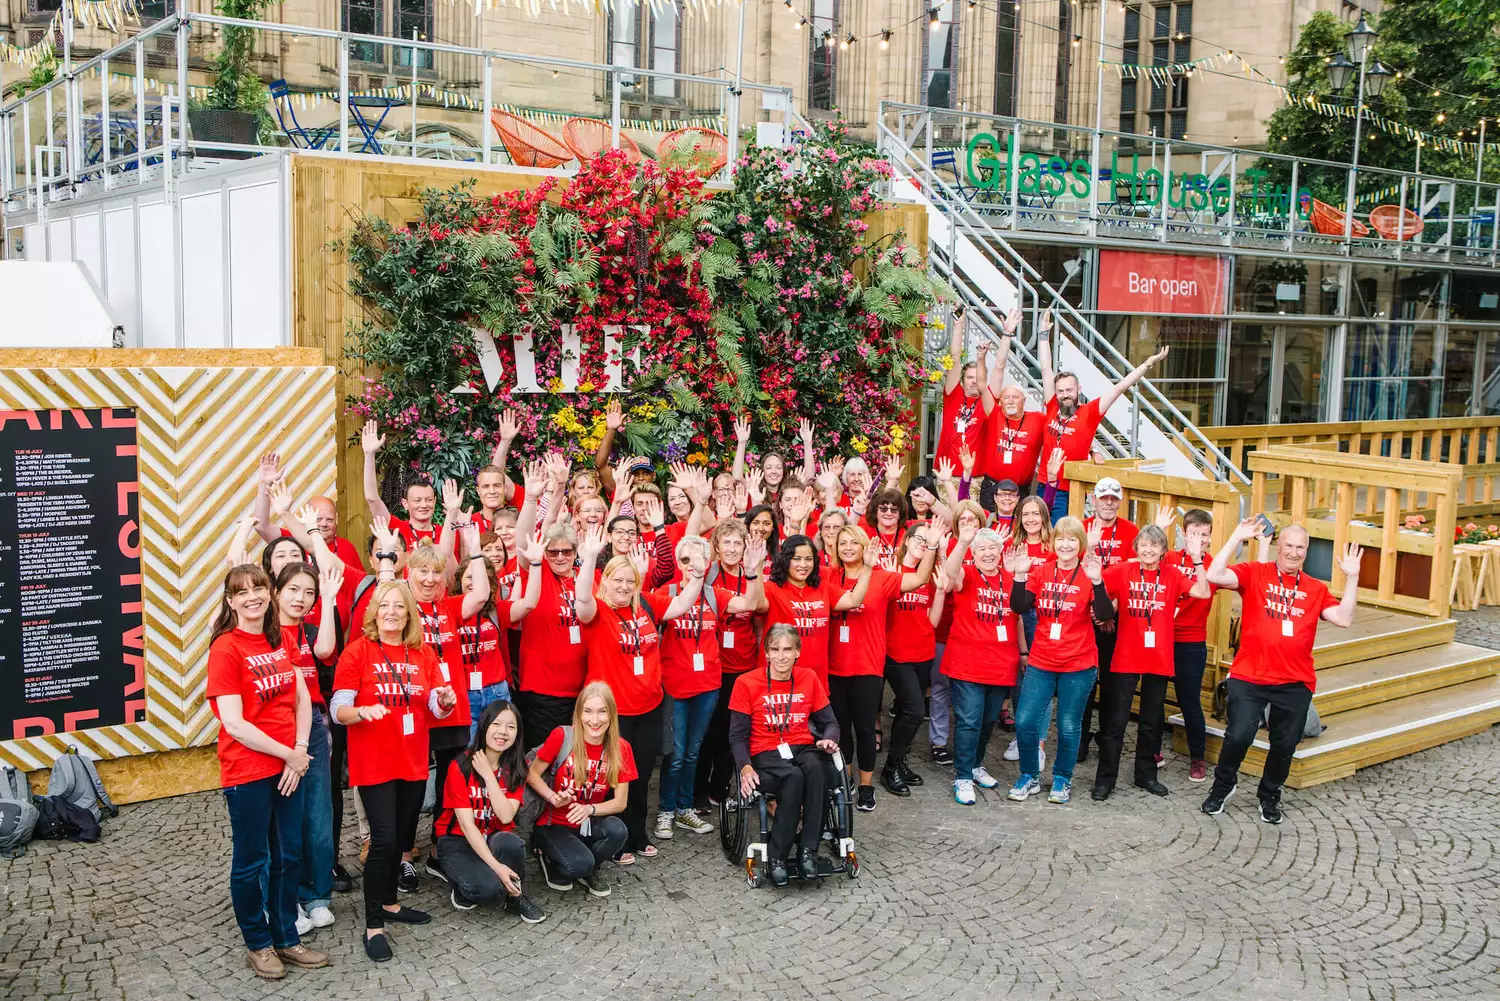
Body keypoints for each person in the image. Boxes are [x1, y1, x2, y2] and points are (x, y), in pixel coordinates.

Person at [206, 564, 328, 980]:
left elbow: (302, 700)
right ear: (230, 602)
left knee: (289, 855)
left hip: (287, 766)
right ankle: (258, 943)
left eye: (258, 588)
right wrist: (289, 755)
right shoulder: (226, 648)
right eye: (242, 592)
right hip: (248, 771)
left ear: (268, 592)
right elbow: (234, 723)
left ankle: (286, 937)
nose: (252, 597)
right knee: (252, 860)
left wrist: (299, 750)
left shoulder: (280, 638)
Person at [1200, 520, 1361, 824]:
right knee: (1238, 735)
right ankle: (1223, 786)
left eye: (1300, 547)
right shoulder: (1256, 573)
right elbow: (1213, 575)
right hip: (1250, 675)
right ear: (1278, 546)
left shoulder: (1315, 588)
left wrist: (1352, 578)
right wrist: (1236, 537)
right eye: (1289, 545)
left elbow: (1344, 618)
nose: (1294, 552)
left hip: (1294, 681)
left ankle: (1269, 794)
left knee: (1285, 745)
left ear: (1306, 551)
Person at [331, 580, 458, 962]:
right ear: (374, 612)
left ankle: (389, 902)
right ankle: (373, 925)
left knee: (402, 837)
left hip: (413, 761)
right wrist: (361, 711)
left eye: (399, 606)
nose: (391, 612)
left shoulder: (422, 654)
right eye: (384, 605)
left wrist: (446, 701)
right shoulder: (358, 652)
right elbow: (338, 708)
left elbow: (436, 708)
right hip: (374, 763)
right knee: (384, 840)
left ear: (408, 615)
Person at [575, 525, 710, 862]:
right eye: (617, 580)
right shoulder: (598, 611)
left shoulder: (645, 604)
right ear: (605, 581)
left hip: (649, 707)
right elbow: (582, 600)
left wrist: (696, 577)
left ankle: (637, 833)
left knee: (640, 774)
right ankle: (614, 837)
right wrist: (589, 558)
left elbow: (680, 604)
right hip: (613, 713)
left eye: (629, 580)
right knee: (612, 777)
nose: (623, 586)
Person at [652, 535, 765, 841]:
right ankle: (665, 810)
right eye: (686, 560)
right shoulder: (667, 593)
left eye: (699, 559)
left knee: (693, 752)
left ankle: (685, 807)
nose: (693, 565)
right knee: (675, 754)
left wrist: (751, 573)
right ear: (678, 564)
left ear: (708, 561)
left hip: (708, 685)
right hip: (675, 687)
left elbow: (750, 604)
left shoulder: (716, 595)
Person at [827, 523, 936, 811]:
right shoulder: (828, 575)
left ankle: (866, 786)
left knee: (865, 729)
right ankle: (846, 779)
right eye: (842, 543)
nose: (848, 548)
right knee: (841, 728)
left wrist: (932, 547)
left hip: (868, 666)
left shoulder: (881, 577)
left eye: (854, 542)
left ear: (865, 546)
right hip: (834, 666)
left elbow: (921, 578)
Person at [1092, 525, 1206, 801]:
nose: (1148, 550)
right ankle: (1105, 779)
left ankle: (1146, 775)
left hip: (1159, 656)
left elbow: (1203, 592)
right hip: (1127, 655)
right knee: (1116, 721)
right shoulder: (1123, 570)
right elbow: (1093, 579)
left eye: (1154, 545)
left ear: (1163, 550)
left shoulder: (1173, 574)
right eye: (1143, 544)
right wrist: (1092, 549)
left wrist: (1197, 559)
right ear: (1136, 548)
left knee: (1151, 722)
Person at [1007, 517, 1113, 805]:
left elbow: (1105, 614)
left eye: (1072, 539)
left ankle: (1062, 778)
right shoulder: (1042, 571)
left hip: (1078, 664)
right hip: (1042, 660)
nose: (1066, 545)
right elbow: (1020, 606)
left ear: (1081, 544)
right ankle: (1030, 775)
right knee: (1025, 721)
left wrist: (1098, 581)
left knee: (1068, 725)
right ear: (1053, 543)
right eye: (1061, 539)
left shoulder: (1089, 572)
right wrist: (1019, 575)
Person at [730, 624, 842, 888]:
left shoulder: (809, 677)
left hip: (801, 746)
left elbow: (831, 723)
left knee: (817, 768)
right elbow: (737, 736)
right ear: (766, 653)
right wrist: (745, 767)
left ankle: (808, 849)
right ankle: (777, 856)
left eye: (787, 650)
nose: (781, 656)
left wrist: (829, 739)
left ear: (797, 652)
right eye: (775, 650)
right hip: (765, 752)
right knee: (793, 777)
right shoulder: (746, 683)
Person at [1037, 310, 1169, 521]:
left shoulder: (1089, 413)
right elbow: (1045, 368)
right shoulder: (1052, 405)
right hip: (1044, 484)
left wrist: (1148, 364)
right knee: (1039, 529)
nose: (1064, 395)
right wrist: (1043, 334)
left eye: (1069, 390)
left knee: (1061, 533)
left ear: (1078, 389)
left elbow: (1120, 387)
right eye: (1060, 391)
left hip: (1069, 490)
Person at [271, 560, 341, 936]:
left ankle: (316, 894)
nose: (301, 598)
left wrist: (328, 599)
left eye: (308, 592)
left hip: (313, 724)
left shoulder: (309, 630)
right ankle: (286, 897)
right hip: (278, 725)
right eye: (293, 590)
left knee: (318, 814)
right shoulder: (264, 631)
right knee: (285, 818)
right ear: (276, 592)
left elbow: (326, 650)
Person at [435, 700, 546, 922]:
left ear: (517, 734)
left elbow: (505, 816)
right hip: (458, 839)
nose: (503, 732)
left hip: (494, 835)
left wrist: (488, 775)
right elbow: (467, 826)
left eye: (511, 727)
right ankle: (460, 880)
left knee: (512, 843)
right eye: (496, 724)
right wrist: (497, 867)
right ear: (485, 726)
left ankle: (515, 897)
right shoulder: (461, 766)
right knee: (487, 889)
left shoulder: (516, 768)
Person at [527, 682, 635, 897]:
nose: (594, 720)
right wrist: (553, 797)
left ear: (611, 714)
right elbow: (531, 773)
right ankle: (550, 859)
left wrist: (590, 809)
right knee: (577, 866)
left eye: (602, 711)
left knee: (618, 831)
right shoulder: (563, 736)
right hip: (553, 823)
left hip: (587, 821)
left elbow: (620, 802)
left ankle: (589, 868)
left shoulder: (621, 748)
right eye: (588, 711)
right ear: (579, 713)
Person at [942, 524, 1022, 805]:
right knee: (969, 720)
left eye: (992, 548)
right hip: (967, 663)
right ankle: (963, 776)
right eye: (982, 549)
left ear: (1001, 551)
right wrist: (963, 542)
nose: (988, 553)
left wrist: (1023, 653)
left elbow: (1018, 618)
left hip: (1001, 664)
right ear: (973, 554)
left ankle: (975, 765)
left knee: (988, 720)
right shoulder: (968, 574)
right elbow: (951, 573)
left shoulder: (1011, 578)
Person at [696, 519, 763, 808]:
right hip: (712, 665)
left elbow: (758, 615)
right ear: (717, 547)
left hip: (743, 665)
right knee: (707, 731)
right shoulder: (708, 574)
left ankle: (720, 789)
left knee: (731, 732)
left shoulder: (752, 575)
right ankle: (698, 792)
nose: (733, 549)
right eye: (727, 543)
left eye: (738, 543)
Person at [757, 534, 872, 687]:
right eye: (797, 559)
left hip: (816, 677)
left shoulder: (822, 588)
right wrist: (756, 567)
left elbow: (854, 601)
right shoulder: (771, 589)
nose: (803, 565)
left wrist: (868, 567)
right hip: (780, 677)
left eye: (809, 559)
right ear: (785, 560)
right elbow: (757, 604)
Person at [516, 523, 592, 748]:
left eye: (566, 551)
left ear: (575, 552)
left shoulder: (586, 578)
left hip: (582, 691)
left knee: (575, 756)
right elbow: (523, 537)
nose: (560, 557)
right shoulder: (538, 573)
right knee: (543, 757)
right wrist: (532, 502)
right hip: (543, 692)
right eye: (553, 552)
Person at [1078, 477, 1138, 762]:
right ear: (1094, 499)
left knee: (1112, 684)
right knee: (1084, 684)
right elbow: (1074, 569)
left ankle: (1106, 738)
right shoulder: (1081, 527)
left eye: (1114, 498)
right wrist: (1095, 608)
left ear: (1120, 501)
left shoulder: (1130, 531)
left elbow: (1135, 573)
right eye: (1104, 498)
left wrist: (1110, 609)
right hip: (1084, 615)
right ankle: (1079, 740)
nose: (1109, 503)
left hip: (1117, 617)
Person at [882, 531, 941, 798]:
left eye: (928, 542)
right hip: (895, 654)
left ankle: (899, 762)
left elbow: (933, 622)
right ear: (906, 540)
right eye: (919, 539)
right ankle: (890, 767)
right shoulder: (890, 570)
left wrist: (941, 592)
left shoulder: (929, 576)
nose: (922, 545)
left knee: (908, 712)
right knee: (916, 711)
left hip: (924, 652)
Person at [929, 498, 987, 765]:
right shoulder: (949, 545)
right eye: (962, 520)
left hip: (977, 632)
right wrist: (946, 551)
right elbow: (948, 583)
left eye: (972, 519)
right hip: (946, 625)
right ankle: (938, 741)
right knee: (941, 687)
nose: (967, 524)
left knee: (970, 691)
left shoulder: (989, 546)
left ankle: (967, 744)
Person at [1164, 508, 1217, 782]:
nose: (1199, 539)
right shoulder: (1171, 558)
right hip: (1162, 638)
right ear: (1184, 534)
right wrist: (1160, 529)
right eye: (1194, 534)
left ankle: (1198, 758)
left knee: (1190, 702)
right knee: (1153, 697)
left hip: (1192, 641)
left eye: (1204, 535)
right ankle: (1151, 751)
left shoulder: (1213, 565)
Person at [361, 420, 446, 550]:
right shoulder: (396, 528)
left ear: (434, 502)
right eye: (417, 500)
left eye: (428, 500)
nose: (424, 505)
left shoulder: (447, 534)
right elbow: (372, 498)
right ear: (405, 503)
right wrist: (369, 454)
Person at [934, 308, 991, 478]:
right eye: (969, 377)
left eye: (977, 377)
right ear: (962, 380)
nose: (974, 381)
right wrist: (958, 326)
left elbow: (1000, 367)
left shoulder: (988, 401)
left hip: (975, 475)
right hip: (947, 472)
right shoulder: (954, 394)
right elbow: (955, 358)